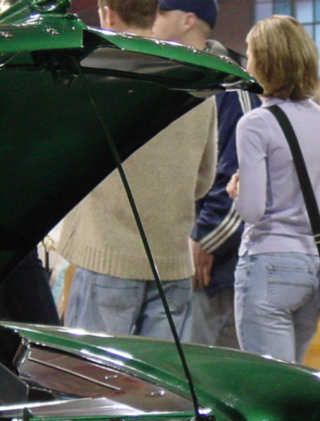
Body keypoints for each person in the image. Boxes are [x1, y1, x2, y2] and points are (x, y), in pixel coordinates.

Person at [58, 0, 218, 340]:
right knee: (159, 374)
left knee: (94, 370)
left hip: (107, 256)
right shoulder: (199, 80)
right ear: (153, 10)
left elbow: (66, 165)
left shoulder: (93, 74)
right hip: (172, 263)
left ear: (107, 13)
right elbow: (204, 181)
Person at [226, 15, 320, 363]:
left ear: (265, 62)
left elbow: (252, 210)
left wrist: (236, 191)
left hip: (267, 263)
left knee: (267, 383)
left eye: (249, 54)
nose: (246, 62)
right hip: (312, 266)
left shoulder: (255, 124)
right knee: (293, 381)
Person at [188, 38, 260, 348]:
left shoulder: (231, 90)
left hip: (217, 266)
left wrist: (205, 238)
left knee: (204, 363)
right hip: (203, 258)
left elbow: (238, 183)